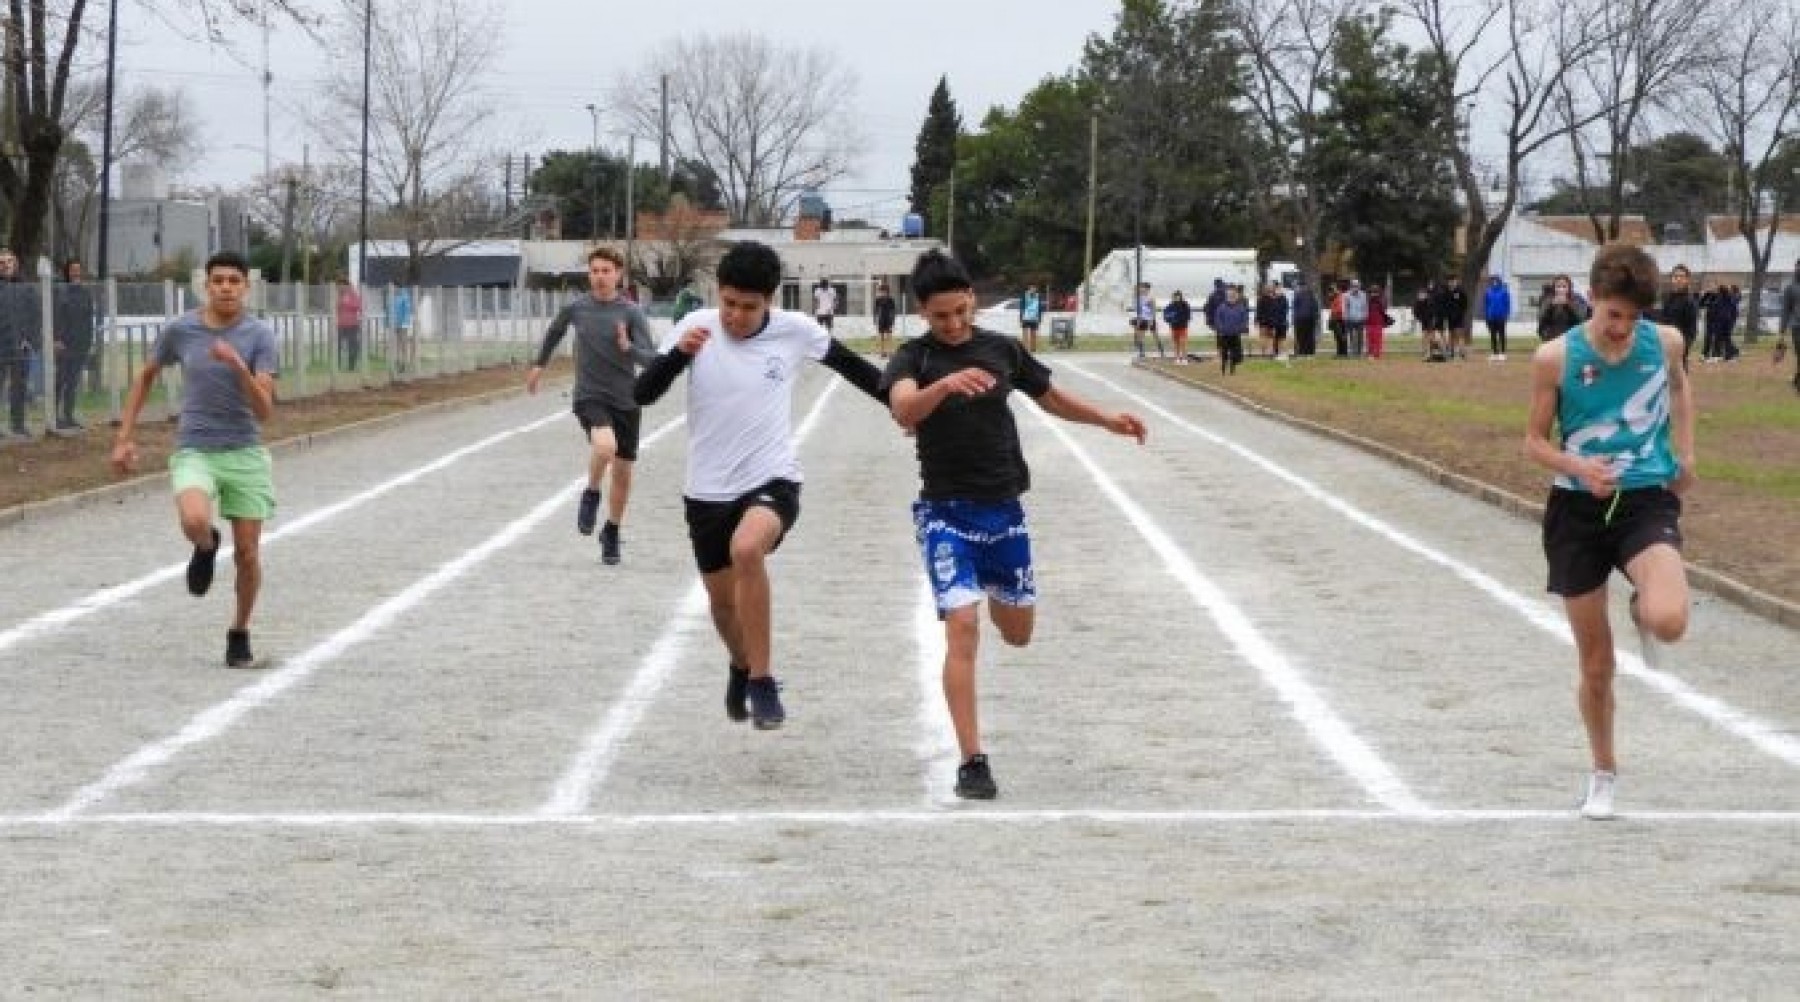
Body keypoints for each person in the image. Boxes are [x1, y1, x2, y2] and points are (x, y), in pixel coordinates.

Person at [883, 248, 1146, 799]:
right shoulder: (914, 358)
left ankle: (999, 598)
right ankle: (972, 761)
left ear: (972, 301)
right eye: (940, 316)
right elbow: (903, 410)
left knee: (1018, 632)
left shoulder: (1001, 349)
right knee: (961, 626)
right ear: (921, 313)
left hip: (1003, 510)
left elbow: (1051, 398)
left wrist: (1107, 420)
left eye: (961, 311)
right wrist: (944, 387)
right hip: (945, 514)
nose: (953, 325)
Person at [633, 241, 888, 730]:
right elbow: (641, 394)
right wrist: (675, 358)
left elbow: (858, 371)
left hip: (771, 478)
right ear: (718, 294)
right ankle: (741, 664)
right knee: (724, 609)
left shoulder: (798, 332)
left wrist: (906, 408)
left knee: (748, 549)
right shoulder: (695, 328)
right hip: (706, 490)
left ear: (770, 300)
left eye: (749, 307)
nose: (736, 315)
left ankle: (763, 680)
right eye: (729, 303)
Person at [1524, 242, 1695, 821]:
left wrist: (1684, 456)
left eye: (1634, 317)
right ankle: (1603, 771)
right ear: (1592, 300)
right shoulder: (1555, 358)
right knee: (1597, 665)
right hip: (1577, 513)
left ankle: (1642, 605)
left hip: (1645, 499)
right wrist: (1578, 466)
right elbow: (1534, 442)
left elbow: (1679, 386)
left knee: (1669, 621)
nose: (1623, 329)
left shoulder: (1665, 342)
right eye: (1613, 315)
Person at [111, 251, 279, 668]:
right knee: (194, 520)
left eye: (233, 281)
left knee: (248, 554)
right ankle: (205, 546)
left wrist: (240, 366)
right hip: (196, 447)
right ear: (206, 285)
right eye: (218, 280)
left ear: (246, 287)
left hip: (244, 450)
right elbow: (146, 375)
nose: (225, 287)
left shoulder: (259, 335)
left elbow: (265, 412)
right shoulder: (181, 329)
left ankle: (239, 631)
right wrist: (124, 437)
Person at [526, 246, 657, 565]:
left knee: (624, 472)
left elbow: (652, 357)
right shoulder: (577, 308)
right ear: (589, 274)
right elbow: (555, 331)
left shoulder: (631, 312)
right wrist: (539, 365)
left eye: (606, 271)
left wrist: (629, 348)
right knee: (605, 447)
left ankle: (611, 530)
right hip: (590, 395)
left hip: (626, 399)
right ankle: (592, 492)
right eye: (595, 270)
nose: (600, 277)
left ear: (618, 274)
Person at [53, 259, 97, 433]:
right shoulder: (61, 291)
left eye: (79, 270)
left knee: (72, 382)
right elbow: (56, 316)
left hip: (81, 344)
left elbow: (89, 319)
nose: (76, 273)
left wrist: (89, 341)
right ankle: (54, 417)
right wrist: (57, 339)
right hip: (64, 344)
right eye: (73, 270)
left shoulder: (86, 293)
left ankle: (68, 416)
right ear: (67, 272)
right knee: (60, 380)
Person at [0, 247, 39, 440]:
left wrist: (28, 340)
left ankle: (18, 425)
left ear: (15, 264)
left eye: (9, 261)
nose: (6, 265)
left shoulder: (26, 287)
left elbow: (34, 316)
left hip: (19, 347)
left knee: (19, 387)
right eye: (2, 262)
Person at [1658, 264, 1699, 370]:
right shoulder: (1667, 298)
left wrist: (1683, 350)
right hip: (1663, 347)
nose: (1678, 279)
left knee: (1678, 383)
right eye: (1675, 276)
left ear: (1687, 280)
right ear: (1672, 279)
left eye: (1682, 276)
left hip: (1679, 350)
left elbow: (1692, 330)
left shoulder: (1689, 302)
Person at [1213, 284, 1250, 374]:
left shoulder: (1240, 307)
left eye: (1233, 294)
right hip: (1225, 334)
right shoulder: (1222, 307)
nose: (1232, 296)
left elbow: (1244, 319)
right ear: (1227, 295)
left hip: (1235, 333)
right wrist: (1221, 328)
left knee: (1235, 352)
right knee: (1224, 352)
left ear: (1236, 295)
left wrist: (1241, 328)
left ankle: (1233, 369)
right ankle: (1223, 368)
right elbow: (1218, 319)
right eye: (1230, 294)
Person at [1537, 274, 1585, 343]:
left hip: (1571, 340)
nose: (1561, 289)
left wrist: (1567, 306)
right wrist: (1551, 307)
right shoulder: (1547, 300)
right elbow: (1542, 321)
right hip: (1552, 340)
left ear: (1569, 287)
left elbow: (1580, 320)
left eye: (1564, 286)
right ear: (1554, 288)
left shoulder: (1576, 299)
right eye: (1558, 286)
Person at [1437, 276, 1470, 360]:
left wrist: (1461, 313)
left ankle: (1462, 352)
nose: (1451, 283)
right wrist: (1445, 315)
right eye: (1450, 281)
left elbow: (1465, 304)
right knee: (1451, 335)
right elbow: (1443, 304)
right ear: (1448, 282)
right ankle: (1452, 353)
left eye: (1453, 281)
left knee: (1459, 334)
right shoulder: (1445, 292)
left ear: (1456, 282)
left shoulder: (1460, 291)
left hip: (1459, 317)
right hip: (1449, 317)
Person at [1780, 259, 1800, 393]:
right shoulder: (1790, 288)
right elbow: (1785, 310)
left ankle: (1797, 379)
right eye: (1798, 267)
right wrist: (1782, 330)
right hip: (1797, 326)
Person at [335, 282, 363, 372]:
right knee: (337, 345)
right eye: (340, 286)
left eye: (343, 286)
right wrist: (340, 301)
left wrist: (347, 302)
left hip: (353, 325)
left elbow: (358, 306)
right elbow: (336, 307)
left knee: (352, 346)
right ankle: (337, 365)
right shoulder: (339, 296)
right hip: (341, 325)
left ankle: (351, 366)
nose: (341, 287)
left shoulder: (354, 295)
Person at [1484, 274, 1512, 361]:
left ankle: (1502, 353)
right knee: (1493, 335)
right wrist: (1487, 315)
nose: (1494, 282)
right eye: (1493, 281)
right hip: (1491, 317)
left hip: (1501, 317)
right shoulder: (1488, 291)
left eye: (1496, 281)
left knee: (1502, 335)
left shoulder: (1504, 291)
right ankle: (1494, 353)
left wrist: (1506, 314)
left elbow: (1507, 304)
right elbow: (1486, 304)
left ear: (1499, 281)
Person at [1162, 290, 1192, 364]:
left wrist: (1183, 320)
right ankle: (1177, 357)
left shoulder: (1185, 305)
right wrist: (1170, 320)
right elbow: (1166, 316)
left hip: (1183, 326)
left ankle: (1184, 358)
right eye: (1175, 297)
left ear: (1180, 297)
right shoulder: (1170, 306)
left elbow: (1188, 315)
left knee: (1183, 342)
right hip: (1174, 327)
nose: (1176, 298)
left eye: (1178, 296)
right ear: (1173, 297)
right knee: (1176, 343)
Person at [390, 287, 415, 374]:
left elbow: (407, 311)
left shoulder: (404, 296)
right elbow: (391, 309)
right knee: (397, 343)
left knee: (403, 343)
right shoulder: (393, 296)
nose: (395, 289)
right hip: (395, 323)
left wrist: (404, 323)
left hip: (403, 324)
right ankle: (398, 361)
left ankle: (404, 363)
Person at [1342, 279, 1369, 358]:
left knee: (1360, 337)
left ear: (1359, 286)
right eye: (1354, 286)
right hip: (1350, 319)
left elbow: (1365, 306)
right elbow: (1345, 307)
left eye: (1357, 286)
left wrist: (1365, 315)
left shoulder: (1363, 295)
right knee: (1351, 337)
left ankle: (1359, 352)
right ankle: (1352, 352)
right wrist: (1345, 317)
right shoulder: (1346, 295)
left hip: (1360, 319)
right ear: (1351, 286)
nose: (1355, 288)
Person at [1291, 283, 1320, 358]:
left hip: (1301, 319)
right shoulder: (1312, 295)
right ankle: (1310, 352)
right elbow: (1316, 308)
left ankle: (1302, 351)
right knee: (1309, 336)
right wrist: (1316, 318)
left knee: (1301, 336)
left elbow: (1295, 308)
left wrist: (1294, 319)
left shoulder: (1298, 295)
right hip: (1310, 319)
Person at [874, 280, 898, 358]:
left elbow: (893, 311)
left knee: (889, 336)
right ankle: (882, 352)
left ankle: (890, 351)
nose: (882, 293)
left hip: (888, 319)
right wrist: (875, 319)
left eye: (884, 291)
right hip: (881, 319)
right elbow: (876, 310)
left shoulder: (890, 300)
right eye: (881, 291)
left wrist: (893, 321)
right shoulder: (878, 300)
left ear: (887, 292)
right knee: (881, 337)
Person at [1266, 282, 1290, 359]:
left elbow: (1285, 311)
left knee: (1282, 338)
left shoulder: (1284, 299)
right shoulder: (1272, 300)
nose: (1278, 290)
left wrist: (1282, 321)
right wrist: (1271, 322)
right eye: (1277, 289)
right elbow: (1270, 312)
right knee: (1274, 339)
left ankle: (1282, 353)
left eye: (1279, 289)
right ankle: (1275, 353)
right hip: (1274, 323)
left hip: (1282, 323)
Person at [1019, 284, 1044, 353]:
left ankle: (1033, 348)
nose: (1033, 290)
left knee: (1033, 334)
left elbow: (1040, 307)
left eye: (1034, 288)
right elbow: (1021, 306)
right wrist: (1021, 317)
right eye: (1032, 288)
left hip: (1034, 318)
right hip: (1026, 317)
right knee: (1025, 334)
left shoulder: (1038, 296)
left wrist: (1039, 317)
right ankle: (1024, 348)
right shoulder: (1024, 295)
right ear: (1029, 289)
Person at [1366, 286, 1388, 360]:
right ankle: (1370, 353)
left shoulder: (1382, 300)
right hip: (1369, 322)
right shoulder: (1368, 300)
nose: (1373, 294)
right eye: (1372, 292)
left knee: (1378, 339)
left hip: (1378, 323)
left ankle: (1377, 354)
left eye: (1375, 292)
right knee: (1370, 339)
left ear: (1379, 293)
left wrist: (1378, 300)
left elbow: (1384, 309)